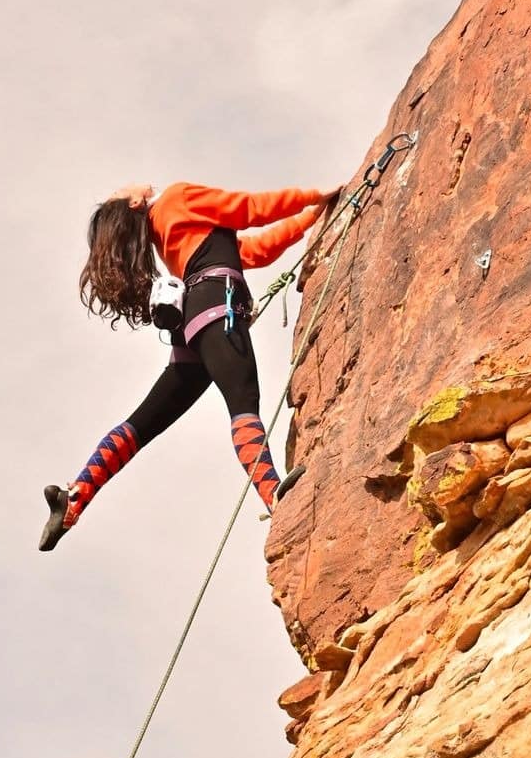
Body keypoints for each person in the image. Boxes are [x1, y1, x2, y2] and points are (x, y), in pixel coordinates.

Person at [39, 180, 338, 551]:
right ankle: (275, 495)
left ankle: (76, 496)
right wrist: (317, 194)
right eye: (120, 189)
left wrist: (311, 218)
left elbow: (253, 251)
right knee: (243, 404)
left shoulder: (167, 233)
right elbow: (249, 207)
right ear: (135, 201)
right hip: (216, 311)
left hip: (192, 325)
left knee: (142, 423)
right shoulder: (176, 199)